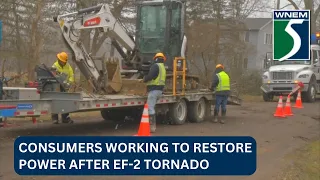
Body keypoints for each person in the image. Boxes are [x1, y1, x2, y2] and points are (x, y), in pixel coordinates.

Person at [139, 52, 167, 133]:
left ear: (156, 58)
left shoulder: (155, 66)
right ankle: (152, 126)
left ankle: (152, 127)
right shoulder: (163, 67)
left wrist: (144, 79)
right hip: (160, 90)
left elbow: (151, 76)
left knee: (150, 108)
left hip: (154, 90)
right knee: (152, 107)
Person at [51, 51, 75, 124]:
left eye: (64, 61)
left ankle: (65, 118)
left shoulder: (68, 66)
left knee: (65, 102)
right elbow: (52, 76)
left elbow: (71, 75)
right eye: (62, 61)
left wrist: (69, 83)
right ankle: (55, 118)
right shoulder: (54, 66)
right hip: (56, 86)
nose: (64, 62)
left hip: (65, 87)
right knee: (55, 101)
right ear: (59, 60)